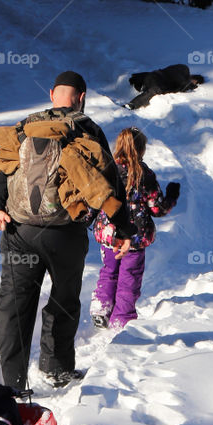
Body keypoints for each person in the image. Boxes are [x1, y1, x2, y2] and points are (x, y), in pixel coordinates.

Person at [0, 71, 132, 391]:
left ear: (52, 94)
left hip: (18, 230)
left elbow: (3, 170)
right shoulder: (86, 129)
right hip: (64, 232)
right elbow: (109, 182)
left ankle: (7, 383)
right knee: (64, 299)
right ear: (82, 97)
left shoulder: (26, 127)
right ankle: (57, 369)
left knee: (13, 304)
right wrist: (123, 227)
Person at [90, 126, 180, 329]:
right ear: (141, 149)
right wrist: (171, 197)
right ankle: (122, 317)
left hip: (109, 233)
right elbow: (157, 208)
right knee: (129, 277)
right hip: (135, 236)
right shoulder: (144, 175)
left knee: (109, 270)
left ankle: (101, 307)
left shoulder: (107, 170)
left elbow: (95, 199)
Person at [125, 63, 205, 110]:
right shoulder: (184, 74)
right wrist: (191, 85)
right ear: (193, 78)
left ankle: (135, 83)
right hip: (156, 81)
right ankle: (132, 105)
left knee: (155, 88)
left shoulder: (183, 70)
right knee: (154, 91)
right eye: (195, 82)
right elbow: (182, 83)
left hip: (152, 76)